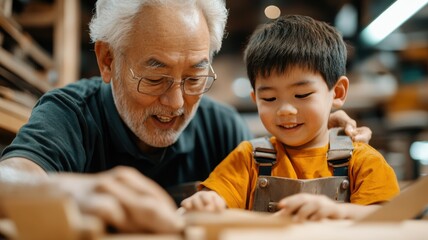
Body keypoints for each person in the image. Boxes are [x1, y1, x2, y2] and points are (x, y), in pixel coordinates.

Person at [0, 1, 371, 233]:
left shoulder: (220, 127)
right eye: (155, 77)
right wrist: (68, 191)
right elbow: (9, 177)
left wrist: (316, 136)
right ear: (107, 60)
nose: (176, 102)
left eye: (195, 78)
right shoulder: (71, 115)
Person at [180, 15, 400, 221]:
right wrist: (207, 202)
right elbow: (216, 201)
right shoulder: (247, 159)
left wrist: (336, 211)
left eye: (301, 95)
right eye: (269, 98)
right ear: (255, 98)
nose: (285, 110)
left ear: (338, 92)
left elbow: (391, 217)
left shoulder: (362, 161)